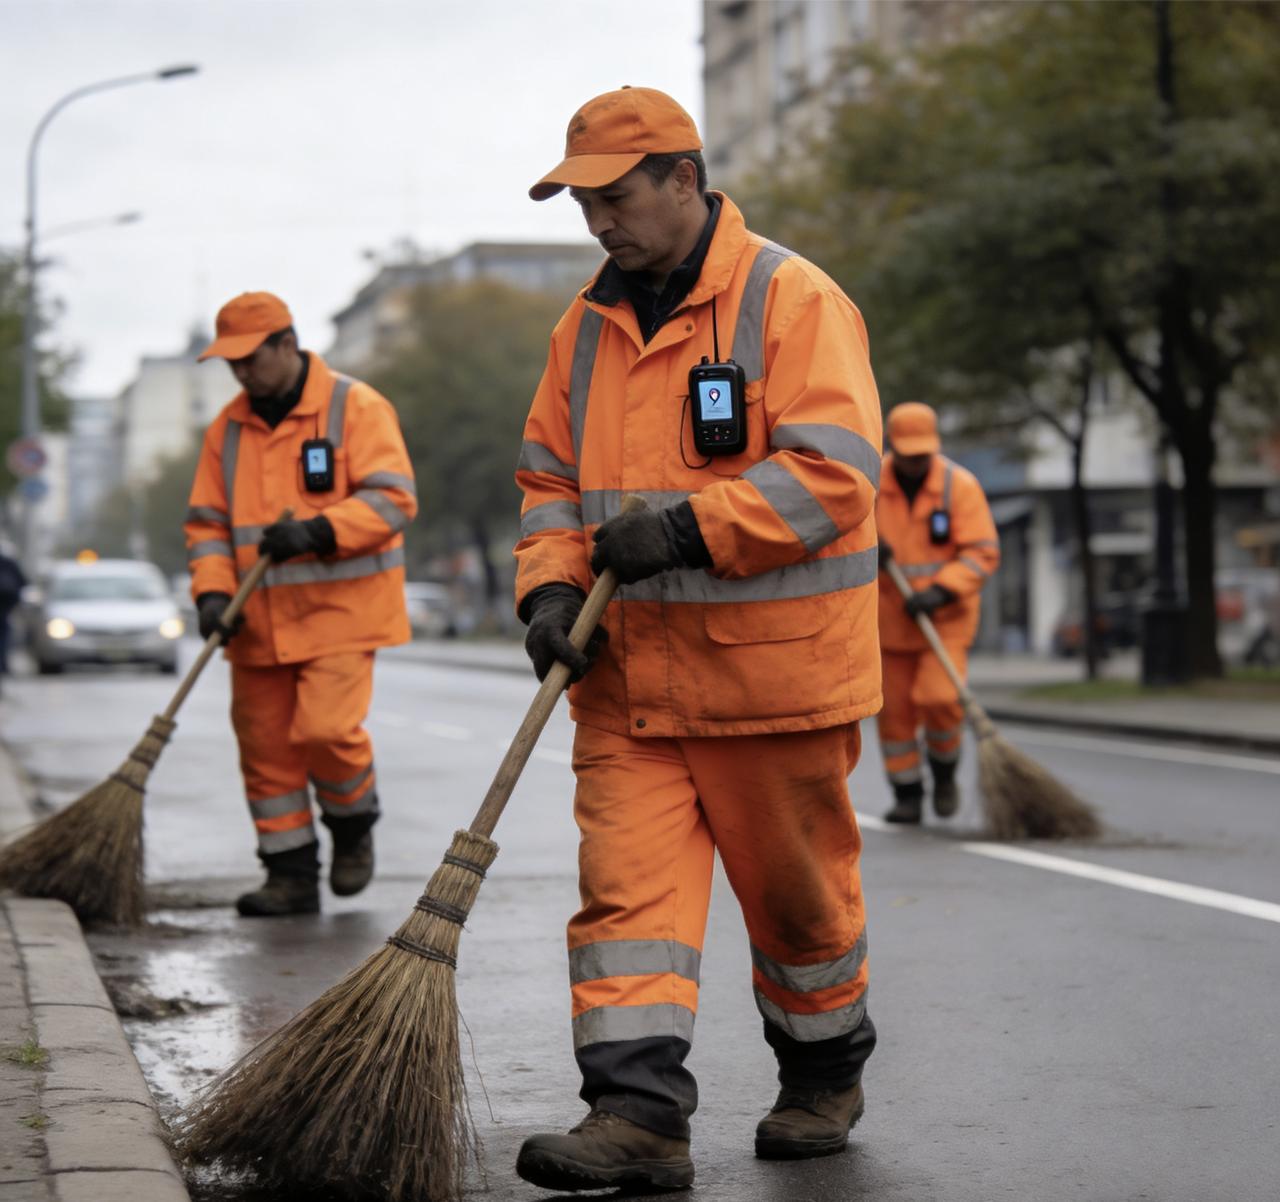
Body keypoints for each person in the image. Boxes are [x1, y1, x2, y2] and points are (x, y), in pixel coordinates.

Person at [512, 87, 883, 1192]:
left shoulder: (791, 297)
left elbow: (833, 475)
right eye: (582, 203)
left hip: (772, 683)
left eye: (615, 197)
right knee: (624, 904)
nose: (598, 223)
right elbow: (547, 485)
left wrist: (685, 525)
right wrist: (546, 591)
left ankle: (821, 1072)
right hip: (627, 685)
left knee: (799, 904)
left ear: (683, 178)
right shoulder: (580, 329)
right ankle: (635, 1117)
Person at [184, 292, 417, 916]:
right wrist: (210, 594)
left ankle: (351, 825)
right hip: (256, 624)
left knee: (326, 732)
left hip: (340, 615)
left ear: (287, 345)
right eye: (230, 363)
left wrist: (318, 532)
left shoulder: (354, 406)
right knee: (266, 752)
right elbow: (206, 523)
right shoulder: (226, 431)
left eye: (250, 359)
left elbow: (394, 499)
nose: (240, 373)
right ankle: (288, 875)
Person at [875, 402, 999, 823]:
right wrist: (866, 549)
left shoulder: (958, 487)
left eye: (922, 454)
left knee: (940, 699)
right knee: (895, 715)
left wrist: (942, 591)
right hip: (887, 621)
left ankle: (944, 773)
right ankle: (907, 795)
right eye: (908, 453)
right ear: (893, 446)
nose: (914, 462)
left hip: (944, 620)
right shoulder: (868, 485)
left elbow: (982, 552)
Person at [0, 543, 27, 690]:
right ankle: (3, 664)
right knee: (4, 636)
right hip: (5, 608)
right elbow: (23, 582)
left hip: (5, 608)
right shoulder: (9, 562)